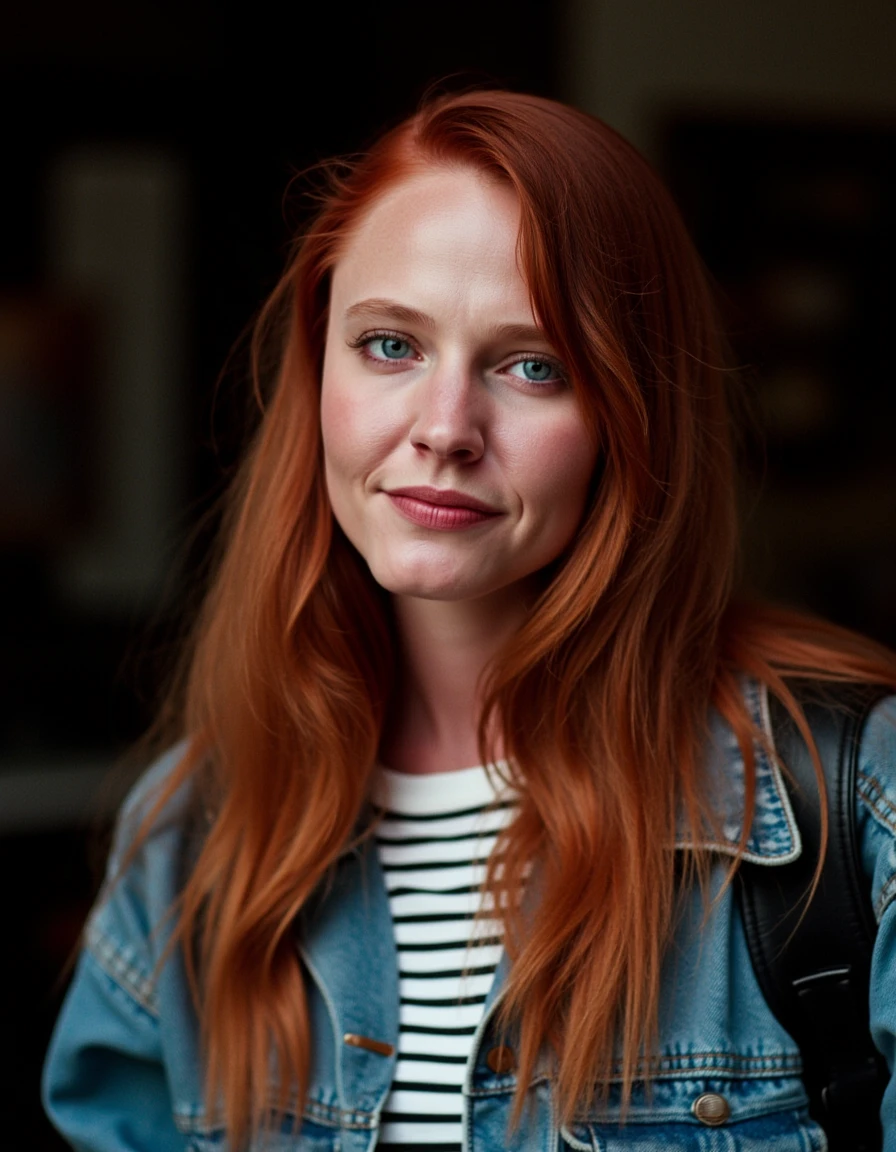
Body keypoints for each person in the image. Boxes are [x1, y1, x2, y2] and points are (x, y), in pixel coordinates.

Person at [42, 88, 896, 1152]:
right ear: (316, 370)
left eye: (533, 366)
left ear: (634, 418)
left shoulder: (856, 806)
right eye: (389, 345)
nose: (444, 428)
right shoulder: (188, 839)